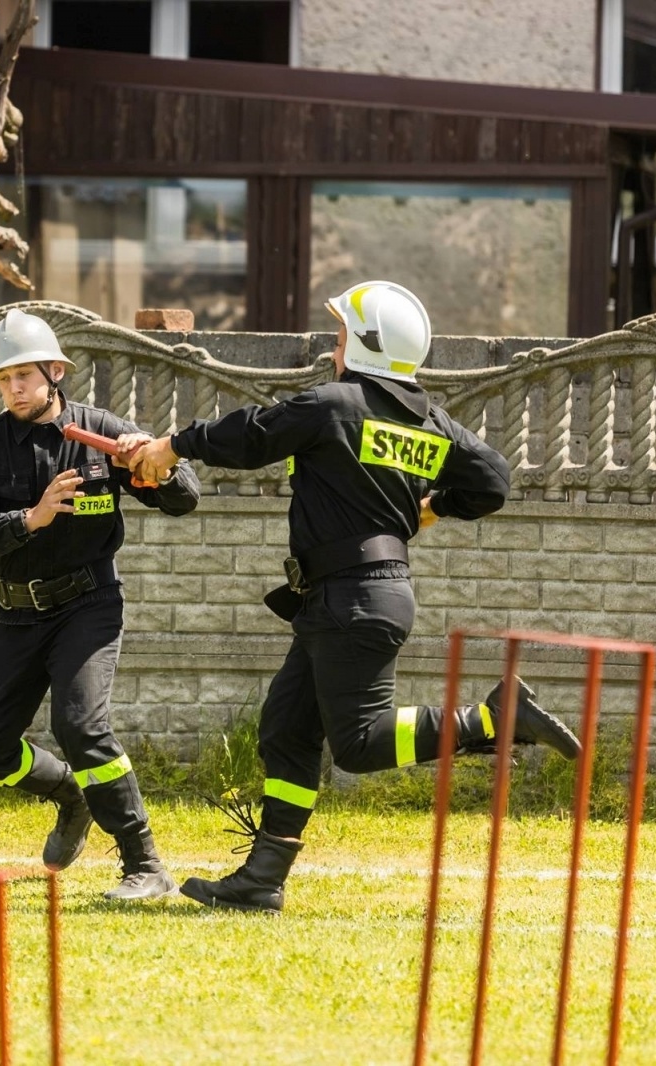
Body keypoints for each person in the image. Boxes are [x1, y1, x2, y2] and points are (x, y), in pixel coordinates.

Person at [127, 281, 581, 914]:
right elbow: (494, 481)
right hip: (346, 599)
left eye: (341, 336)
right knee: (287, 730)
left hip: (352, 601)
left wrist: (172, 445)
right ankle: (262, 878)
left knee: (360, 744)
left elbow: (255, 434)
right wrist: (434, 506)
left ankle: (491, 719)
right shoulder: (428, 419)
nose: (333, 347)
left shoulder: (335, 405)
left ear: (364, 346)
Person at [0, 308, 202, 900]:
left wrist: (150, 466)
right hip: (14, 611)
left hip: (89, 604)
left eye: (24, 376)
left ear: (55, 371)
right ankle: (69, 793)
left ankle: (145, 865)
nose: (13, 388)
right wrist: (28, 519)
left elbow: (185, 498)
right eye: (4, 379)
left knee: (80, 723)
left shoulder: (100, 432)